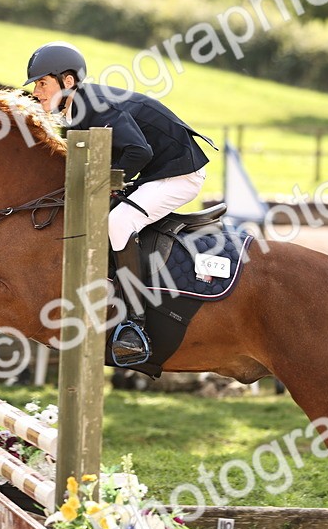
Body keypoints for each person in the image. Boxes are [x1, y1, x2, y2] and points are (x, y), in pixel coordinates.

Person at [23, 40, 214, 367]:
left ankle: (134, 324)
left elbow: (140, 151)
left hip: (179, 174)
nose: (36, 91)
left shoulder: (95, 106)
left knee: (118, 222)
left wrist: (103, 187)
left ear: (67, 82)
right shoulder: (77, 109)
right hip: (156, 172)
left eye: (42, 83)